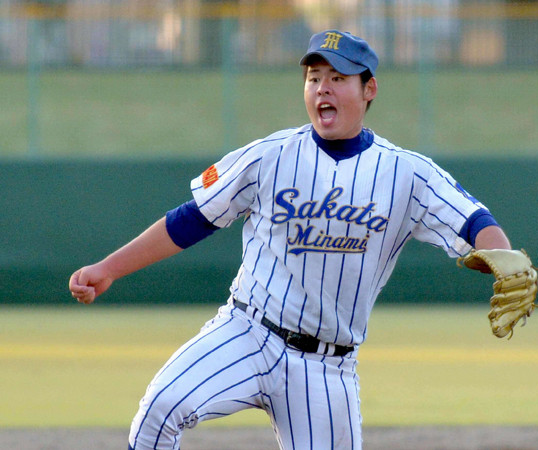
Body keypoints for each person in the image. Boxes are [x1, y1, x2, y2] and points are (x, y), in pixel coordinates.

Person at [69, 30, 512, 449]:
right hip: (247, 332)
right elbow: (191, 220)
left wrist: (506, 262)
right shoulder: (270, 156)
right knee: (160, 410)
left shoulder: (406, 173)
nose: (322, 88)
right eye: (314, 77)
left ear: (369, 89)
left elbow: (475, 222)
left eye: (338, 78)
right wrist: (107, 269)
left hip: (326, 366)